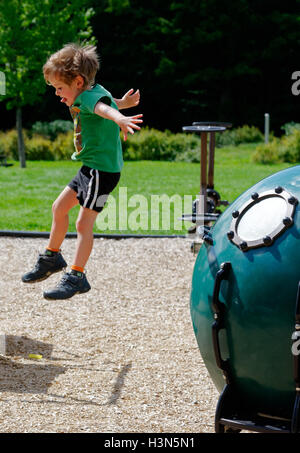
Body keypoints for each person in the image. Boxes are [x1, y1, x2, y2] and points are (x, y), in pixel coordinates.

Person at [21, 43, 143, 300]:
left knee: (83, 223)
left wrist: (119, 117)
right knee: (59, 208)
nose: (56, 93)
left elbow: (102, 108)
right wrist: (123, 104)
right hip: (90, 169)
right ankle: (52, 258)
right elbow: (104, 103)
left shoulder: (87, 97)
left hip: (103, 173)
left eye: (59, 88)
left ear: (77, 81)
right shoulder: (91, 92)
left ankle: (76, 275)